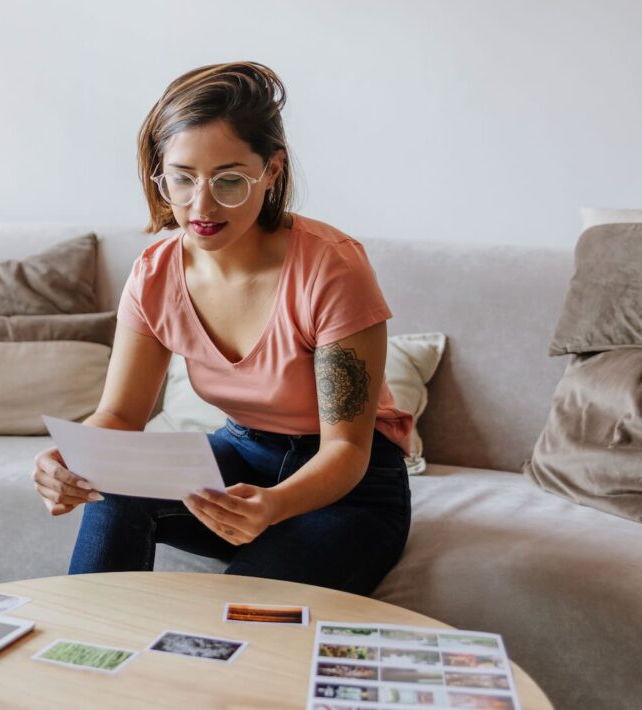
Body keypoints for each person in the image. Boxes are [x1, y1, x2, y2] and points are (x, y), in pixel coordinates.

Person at [31, 61, 414, 595]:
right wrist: (72, 460)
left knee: (238, 612)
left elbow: (346, 450)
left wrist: (276, 506)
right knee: (113, 488)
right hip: (242, 455)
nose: (201, 205)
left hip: (349, 490)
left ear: (272, 171)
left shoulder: (331, 269)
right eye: (182, 179)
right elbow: (118, 415)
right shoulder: (156, 272)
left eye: (229, 180)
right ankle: (83, 649)